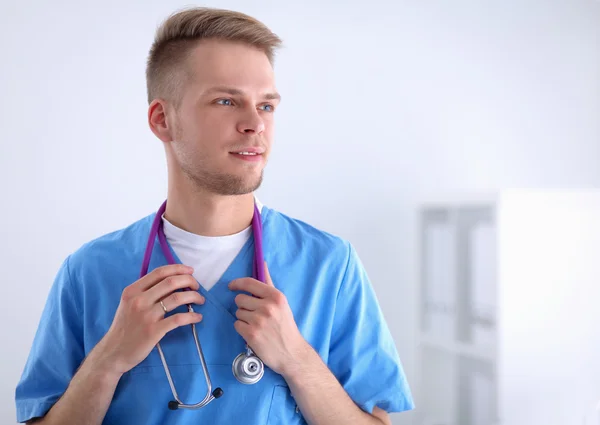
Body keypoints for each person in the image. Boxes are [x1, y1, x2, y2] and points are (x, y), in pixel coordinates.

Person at [15, 6, 414, 425]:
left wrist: (298, 360)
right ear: (162, 119)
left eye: (267, 106)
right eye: (226, 101)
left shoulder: (329, 266)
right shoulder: (90, 272)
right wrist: (109, 359)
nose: (254, 124)